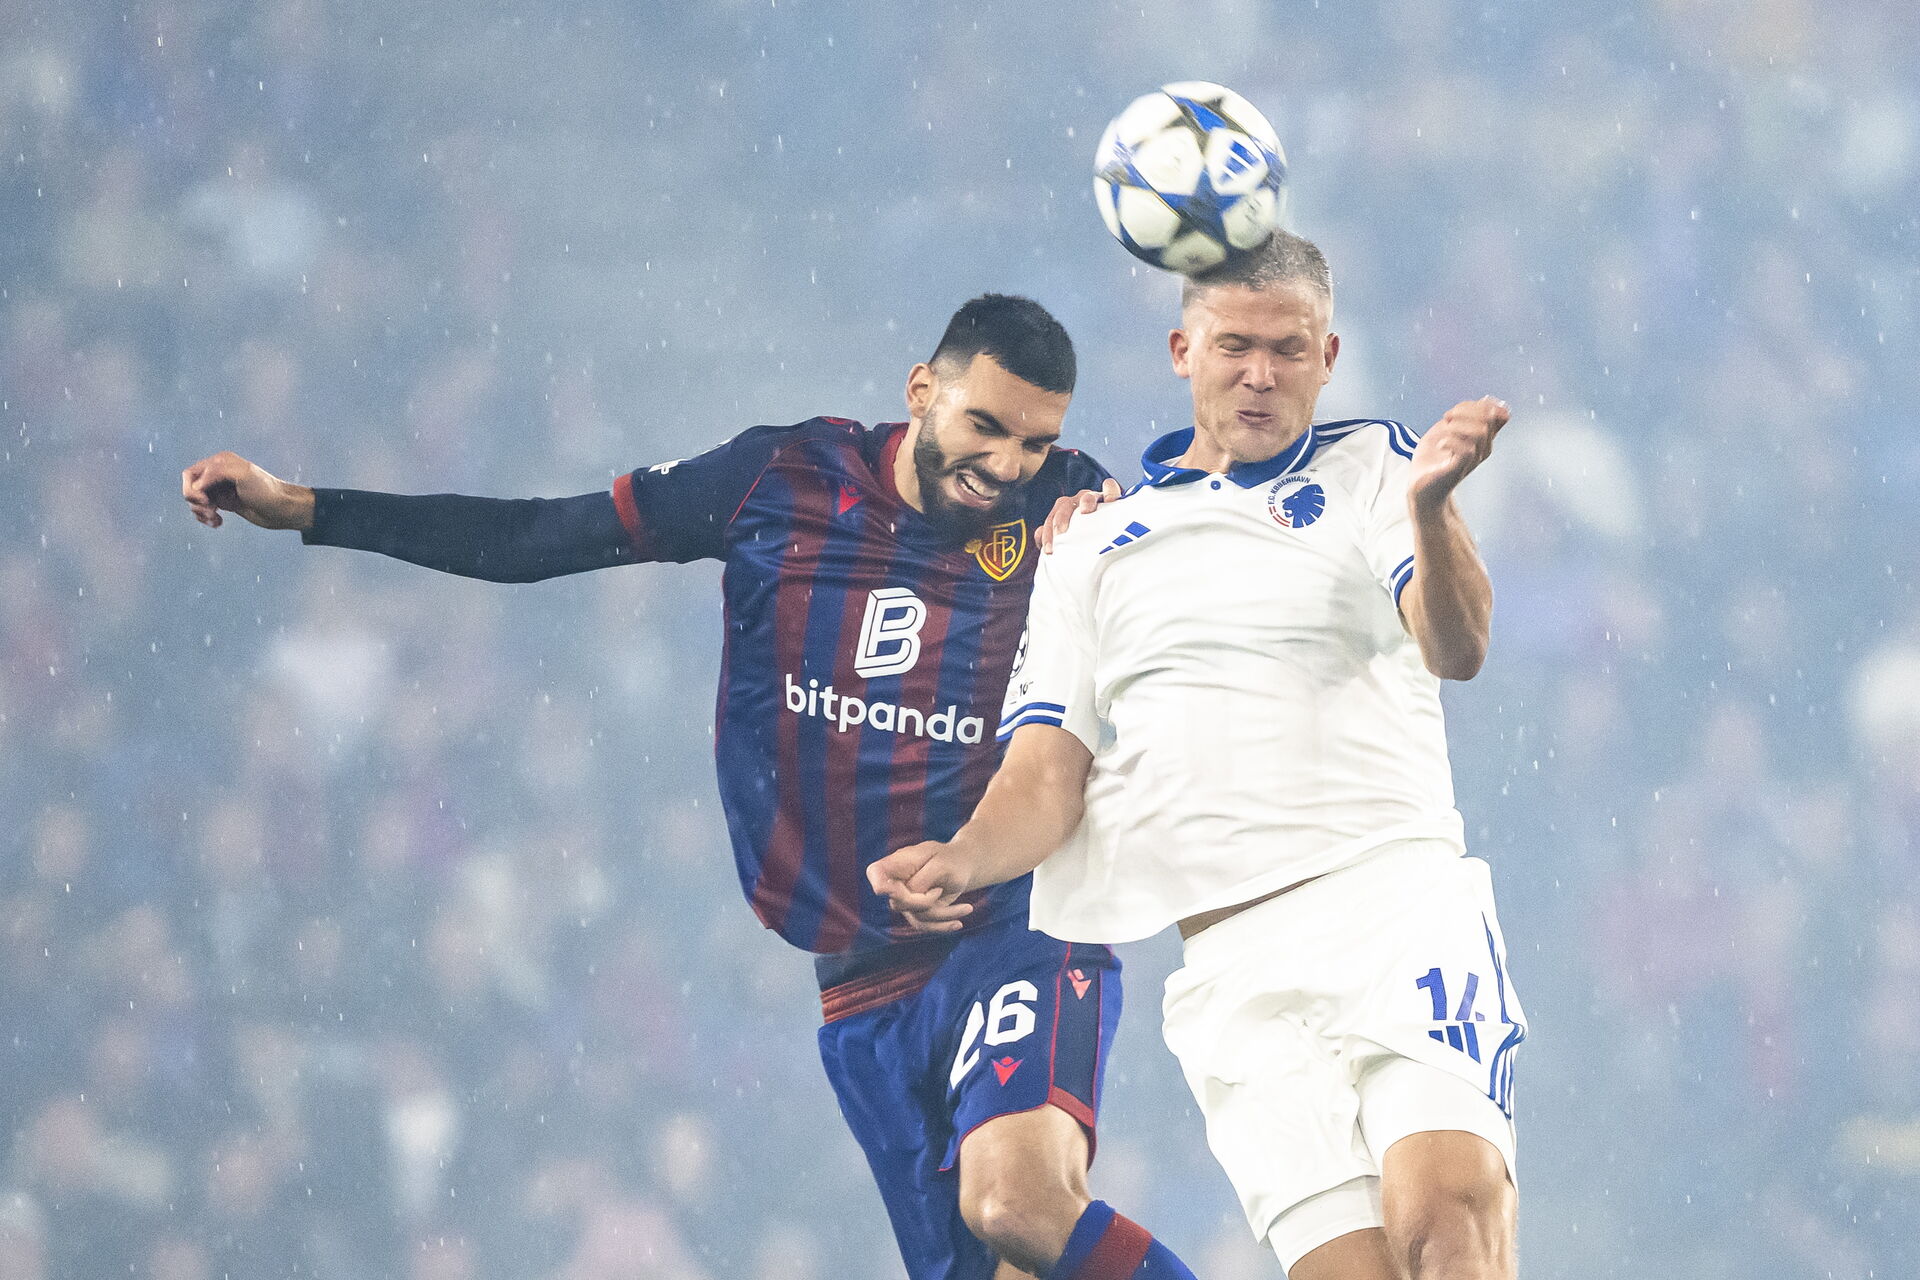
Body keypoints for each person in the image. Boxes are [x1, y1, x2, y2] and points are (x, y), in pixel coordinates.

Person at [181, 294, 1202, 1280]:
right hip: (859, 977)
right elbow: (541, 535)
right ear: (922, 389)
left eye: (1034, 441)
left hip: (1015, 922)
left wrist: (1121, 533)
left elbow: (1195, 575)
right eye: (986, 426)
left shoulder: (1068, 506)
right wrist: (307, 507)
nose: (1007, 465)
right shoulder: (782, 479)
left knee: (1019, 1204)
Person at [870, 238, 1528, 1280]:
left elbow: (1459, 647)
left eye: (1288, 349)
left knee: (1443, 1225)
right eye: (1234, 347)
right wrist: (962, 857)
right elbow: (1045, 775)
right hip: (1233, 973)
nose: (1260, 373)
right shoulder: (1089, 546)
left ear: (1328, 357)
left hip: (1394, 910)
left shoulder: (1378, 468)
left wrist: (1434, 508)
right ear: (1184, 351)